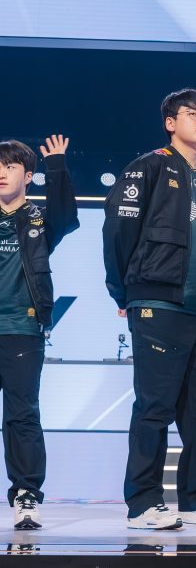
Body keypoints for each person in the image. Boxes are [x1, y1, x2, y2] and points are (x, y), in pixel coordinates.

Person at [103, 89, 196, 530]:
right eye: (192, 113)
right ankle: (143, 503)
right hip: (158, 302)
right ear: (169, 122)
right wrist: (126, 291)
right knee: (155, 407)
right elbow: (118, 231)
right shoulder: (148, 167)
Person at [0, 136, 78, 529]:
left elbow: (66, 216)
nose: (1, 173)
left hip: (22, 330)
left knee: (22, 414)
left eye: (10, 166)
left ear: (28, 176)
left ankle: (26, 494)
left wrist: (58, 166)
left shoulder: (39, 221)